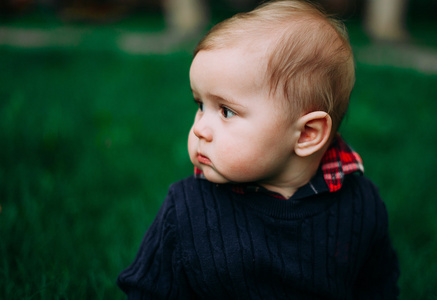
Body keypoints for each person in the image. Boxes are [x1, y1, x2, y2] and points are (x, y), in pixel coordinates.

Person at [117, 0, 400, 299]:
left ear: (306, 134)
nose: (200, 128)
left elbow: (377, 288)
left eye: (226, 111)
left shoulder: (360, 207)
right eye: (201, 105)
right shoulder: (187, 208)